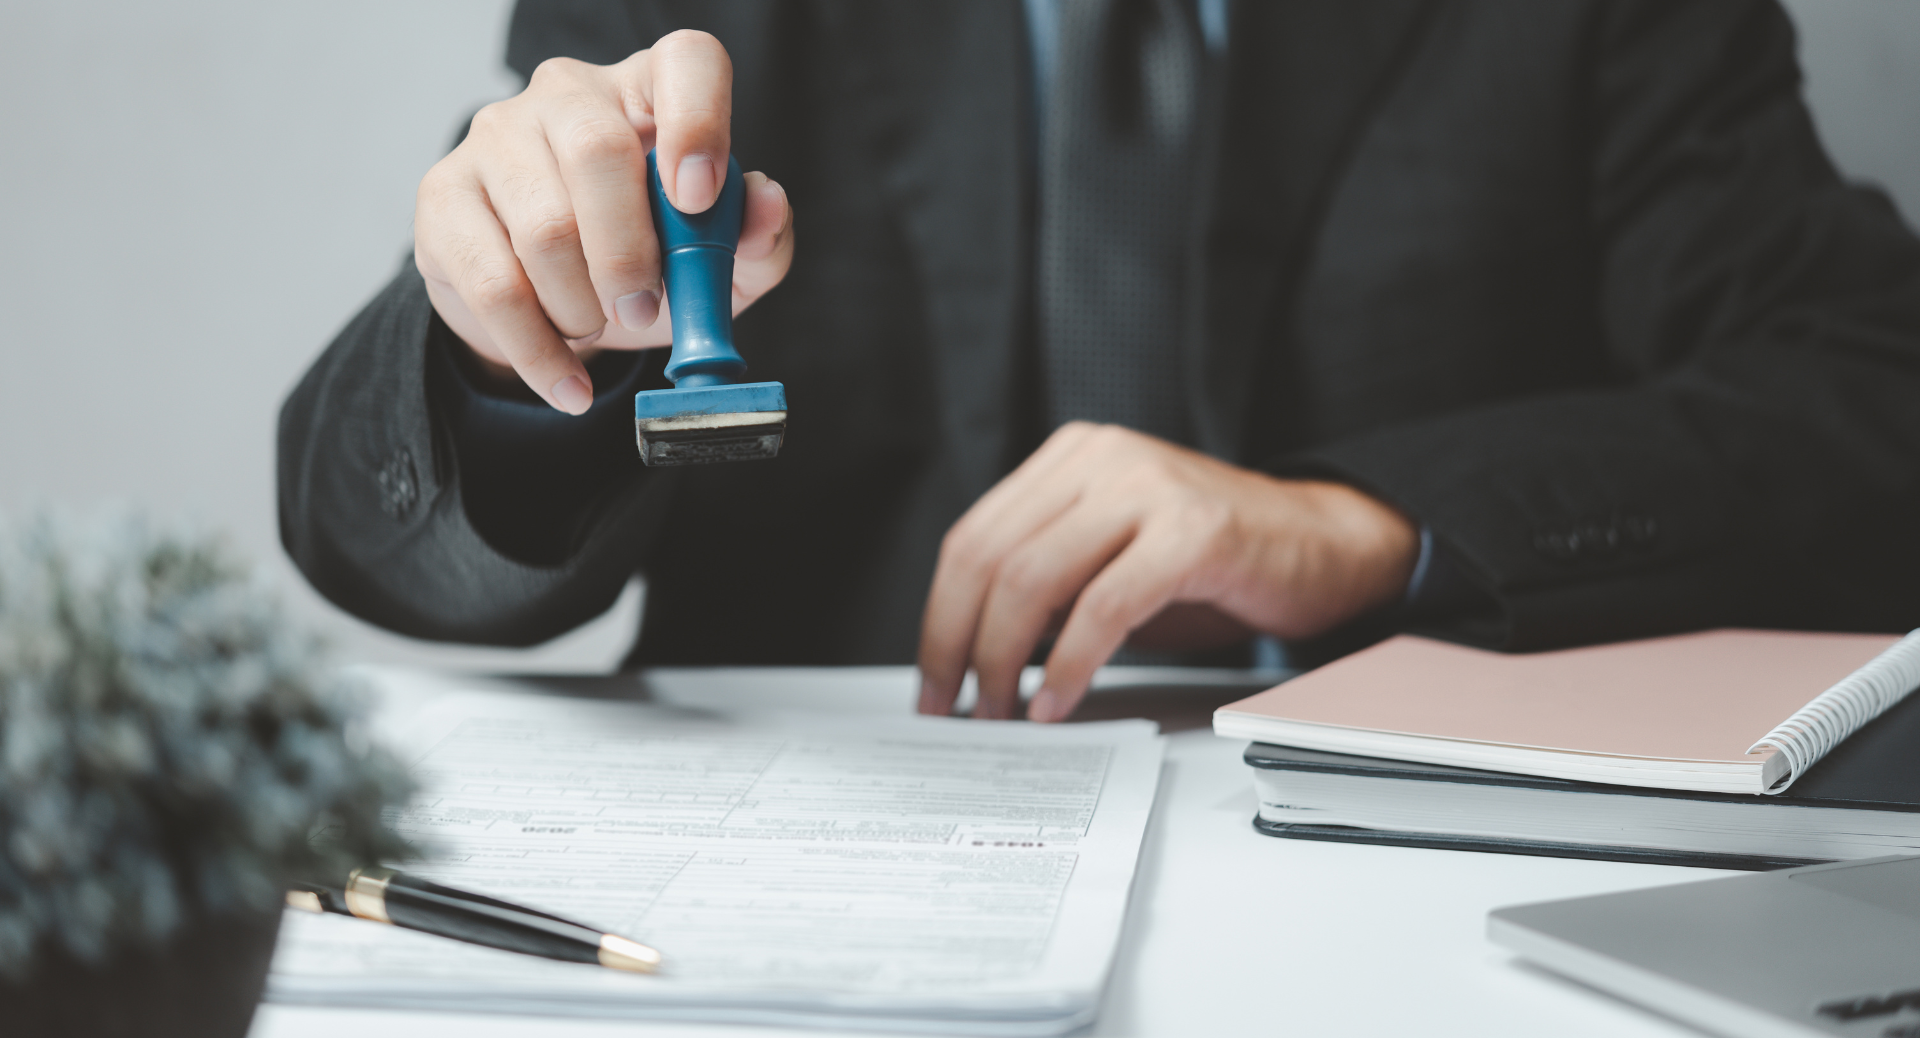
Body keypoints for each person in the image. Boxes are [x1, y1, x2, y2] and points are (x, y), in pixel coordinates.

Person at [279, 0, 1920, 723]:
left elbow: (1871, 404)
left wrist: (1367, 528)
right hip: (824, 871)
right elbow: (369, 540)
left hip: (1419, 889)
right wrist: (515, 352)